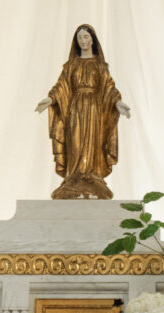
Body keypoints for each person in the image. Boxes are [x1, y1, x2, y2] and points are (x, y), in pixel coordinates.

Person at [36, 24, 130, 199]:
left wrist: (118, 103)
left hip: (94, 111)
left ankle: (92, 176)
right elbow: (62, 86)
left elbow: (109, 87)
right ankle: (74, 177)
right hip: (75, 109)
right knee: (75, 142)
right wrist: (50, 99)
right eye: (80, 38)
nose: (83, 41)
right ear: (76, 41)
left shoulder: (100, 65)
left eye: (86, 37)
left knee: (93, 142)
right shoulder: (71, 65)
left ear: (93, 39)